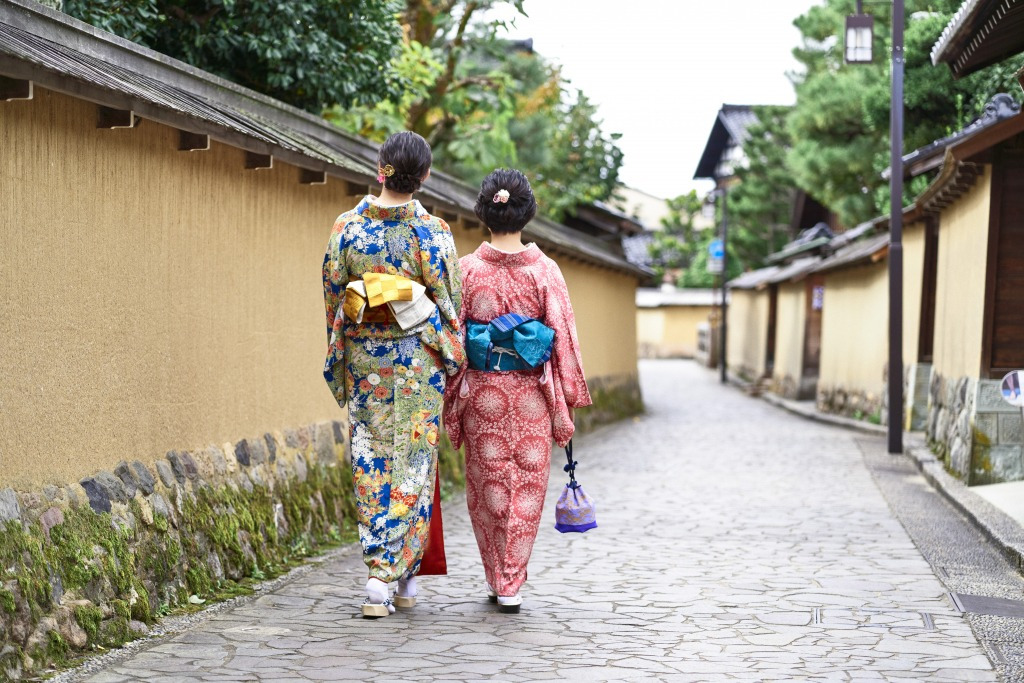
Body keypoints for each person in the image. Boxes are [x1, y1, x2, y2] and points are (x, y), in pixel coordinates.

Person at [322, 131, 464, 618]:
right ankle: (395, 576)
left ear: (380, 166)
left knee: (371, 461)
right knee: (412, 466)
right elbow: (448, 303)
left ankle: (380, 577)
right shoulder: (433, 230)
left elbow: (334, 296)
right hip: (418, 363)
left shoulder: (346, 227)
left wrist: (344, 347)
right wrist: (447, 346)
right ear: (423, 176)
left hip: (366, 362)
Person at [443, 168, 592, 614]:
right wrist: (567, 399)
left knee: (487, 488)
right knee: (525, 487)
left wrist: (450, 395)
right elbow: (563, 337)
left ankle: (498, 575)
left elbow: (454, 339)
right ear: (526, 211)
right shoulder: (545, 271)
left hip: (482, 395)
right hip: (530, 396)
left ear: (485, 211)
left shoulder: (466, 271)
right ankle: (510, 580)